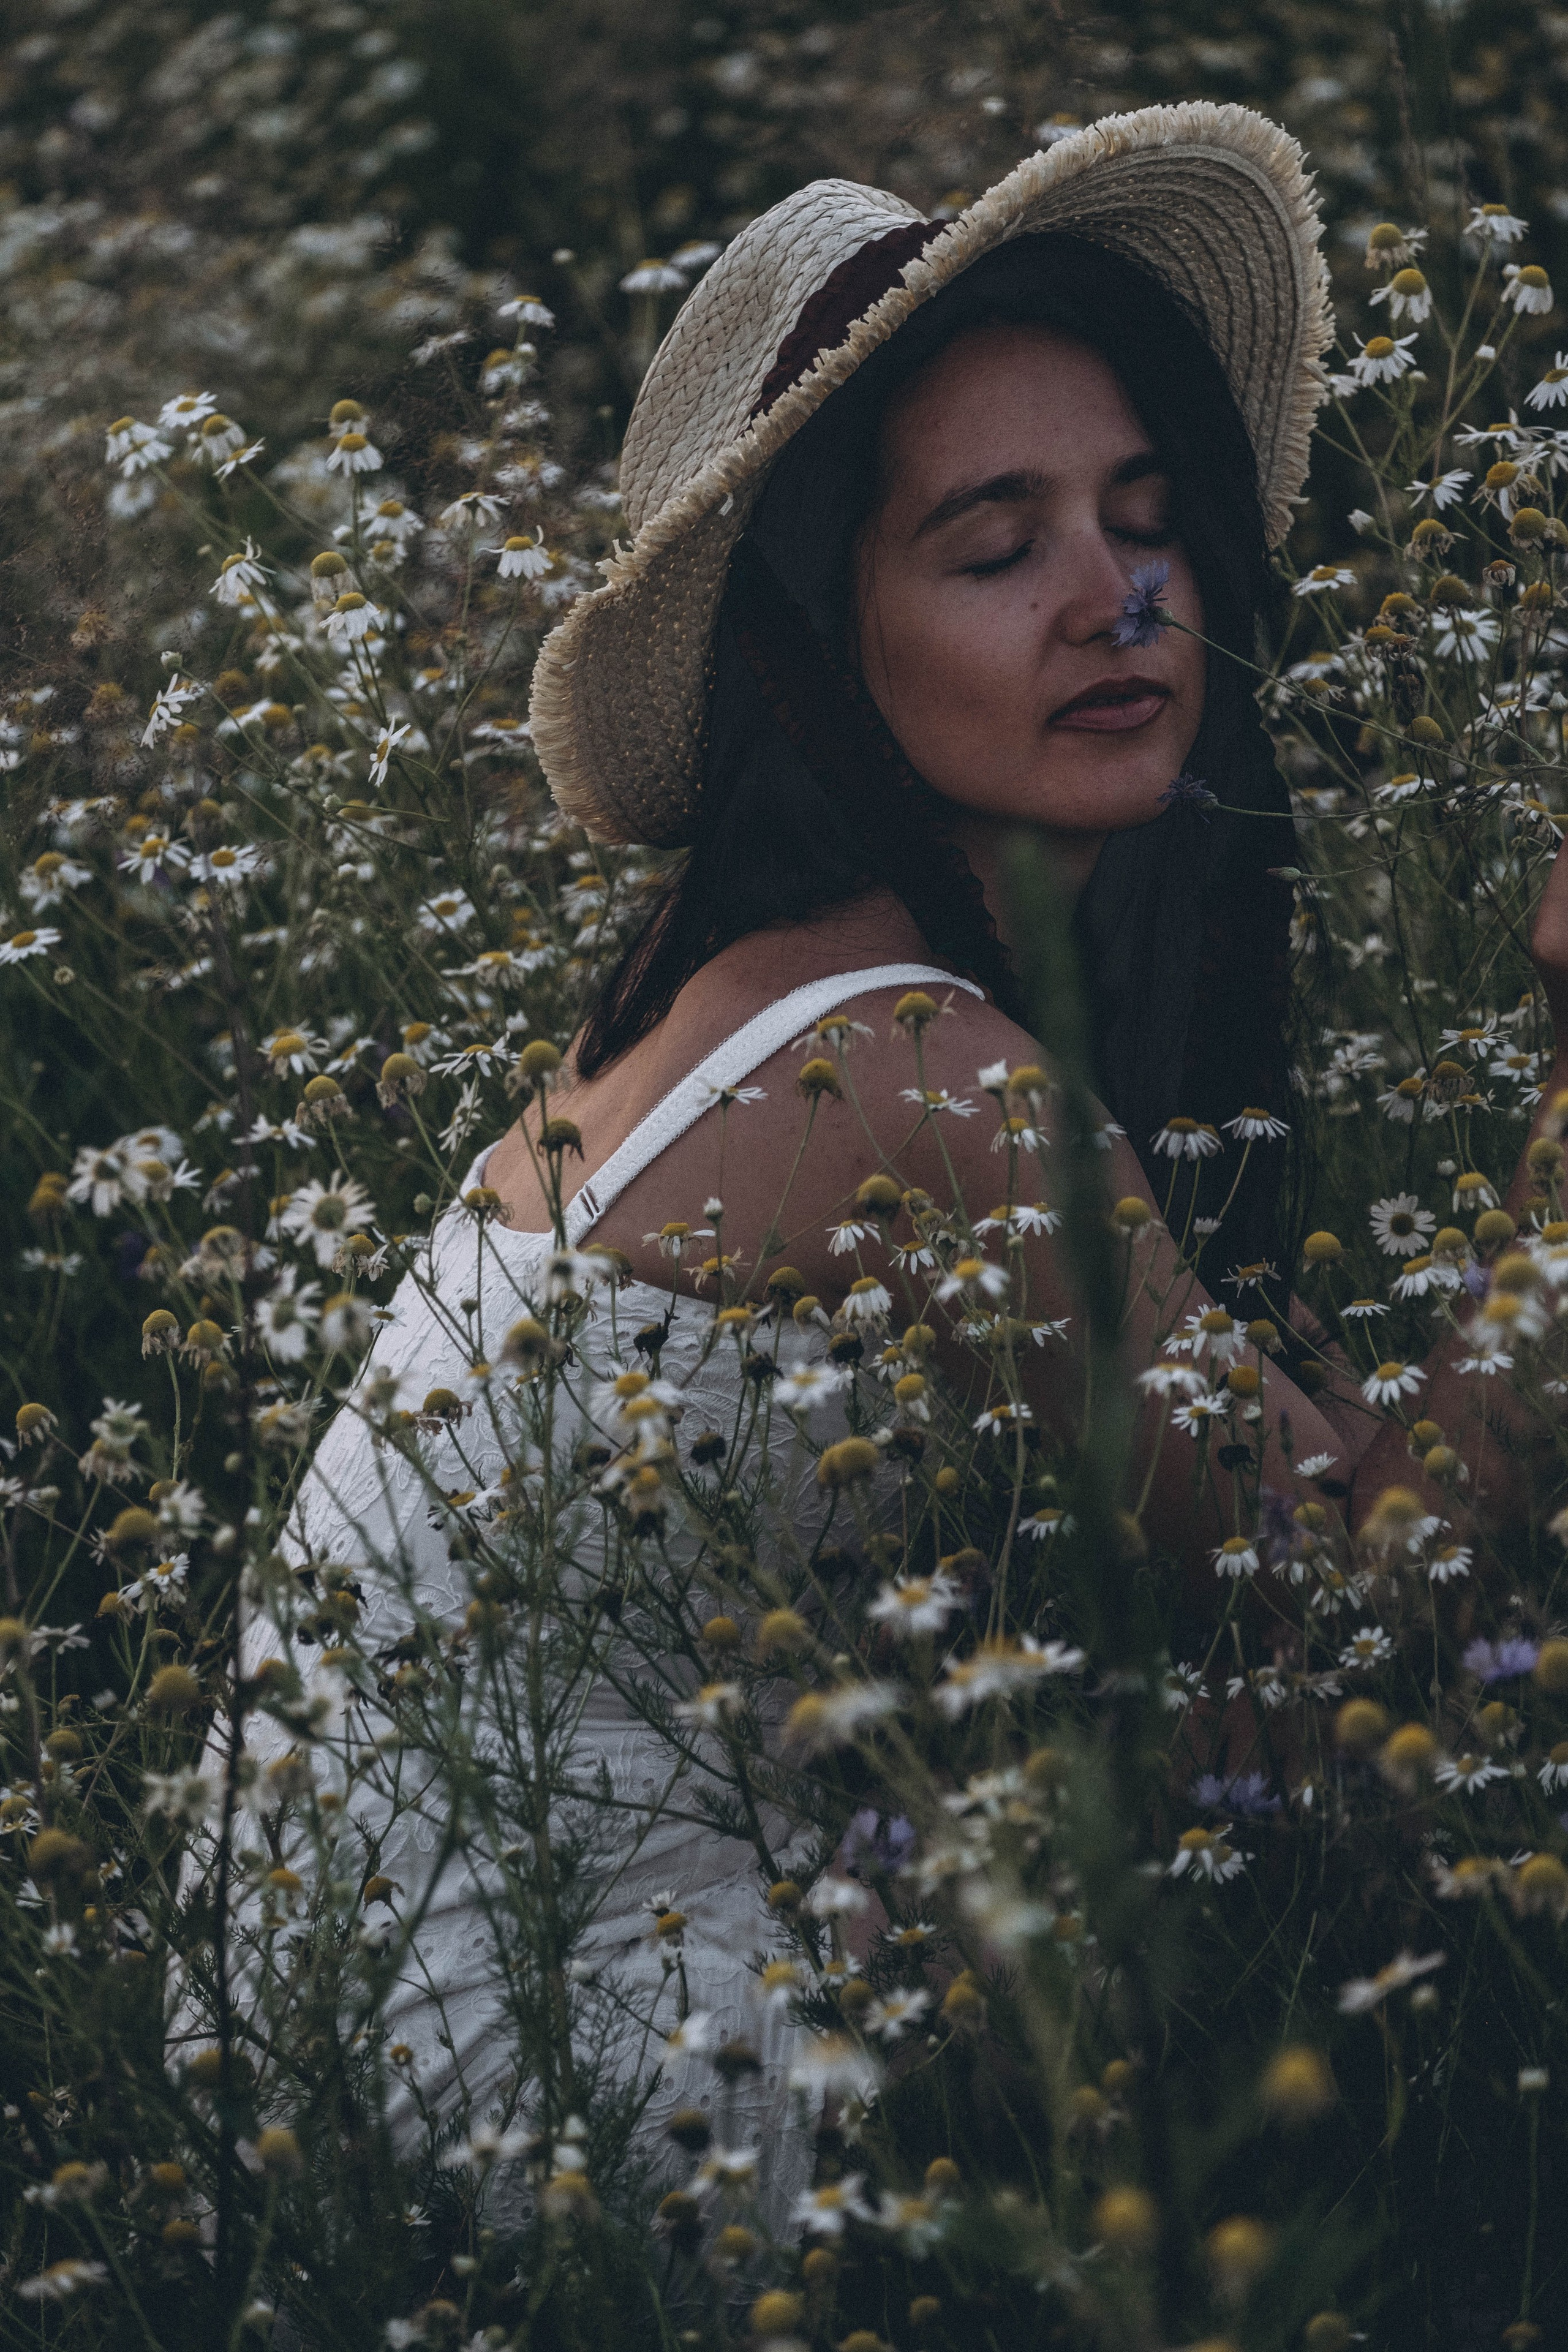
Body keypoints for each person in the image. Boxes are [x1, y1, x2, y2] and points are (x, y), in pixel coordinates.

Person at [211, 104, 1568, 2216]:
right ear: (816, 641)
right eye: (992, 542)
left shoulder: (752, 993)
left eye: (1144, 517)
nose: (1116, 597)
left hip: (350, 2028)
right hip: (559, 2096)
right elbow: (1393, 1601)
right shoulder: (907, 1076)